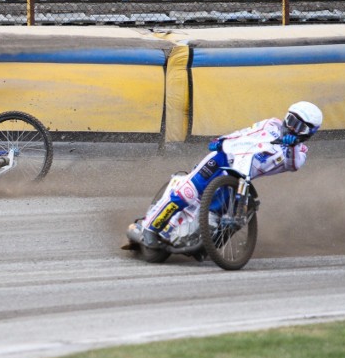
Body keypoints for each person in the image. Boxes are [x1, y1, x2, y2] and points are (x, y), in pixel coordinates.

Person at [124, 101, 323, 249]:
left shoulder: (299, 153)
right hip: (221, 159)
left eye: (300, 127)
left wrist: (293, 144)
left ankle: (199, 240)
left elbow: (295, 164)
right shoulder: (270, 124)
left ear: (309, 133)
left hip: (239, 178)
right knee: (188, 193)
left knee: (213, 215)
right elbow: (244, 133)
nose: (291, 127)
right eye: (291, 121)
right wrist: (222, 139)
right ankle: (150, 228)